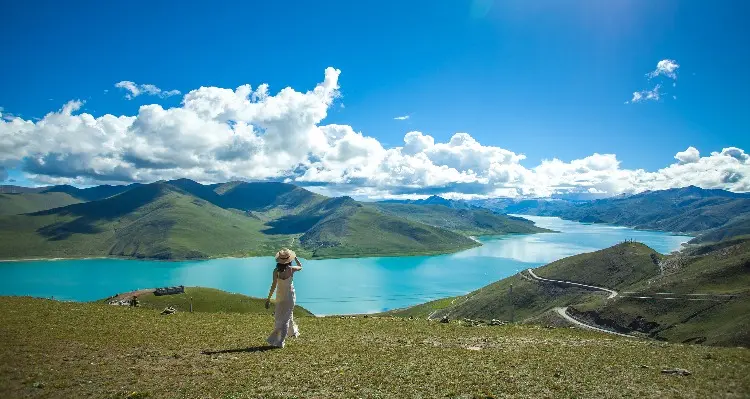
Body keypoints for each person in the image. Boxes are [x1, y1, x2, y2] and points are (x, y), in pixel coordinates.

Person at [265, 248, 303, 348]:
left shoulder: (276, 271)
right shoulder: (291, 269)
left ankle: (288, 336)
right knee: (287, 317)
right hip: (290, 296)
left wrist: (268, 299)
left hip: (280, 297)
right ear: (289, 260)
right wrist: (296, 258)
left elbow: (273, 285)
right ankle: (282, 340)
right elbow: (300, 267)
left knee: (281, 317)